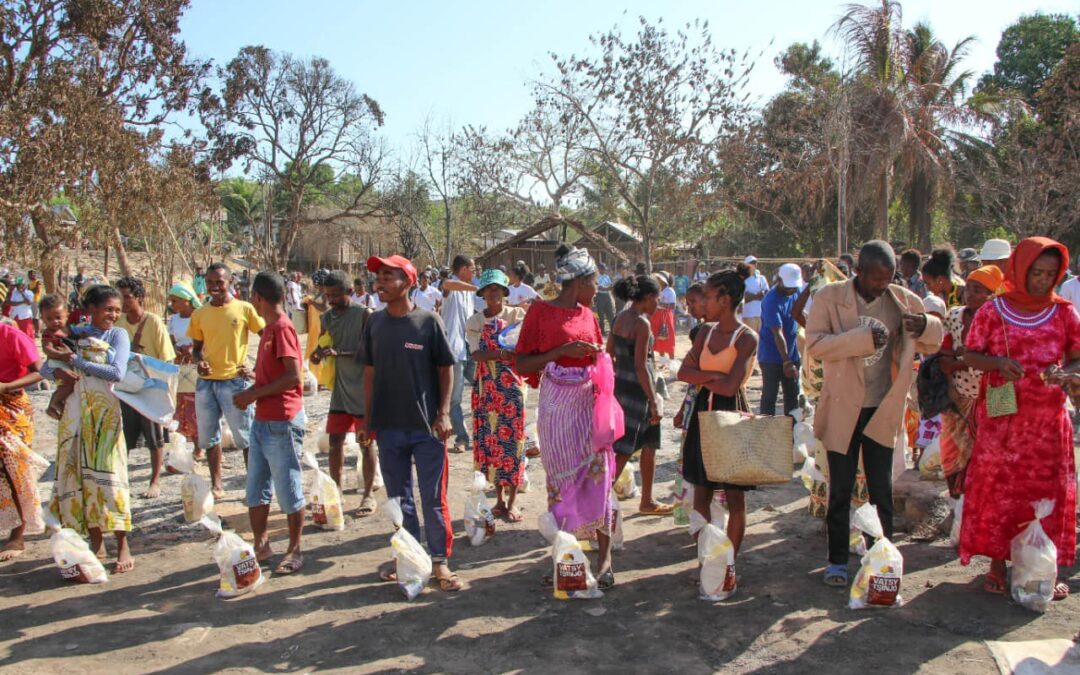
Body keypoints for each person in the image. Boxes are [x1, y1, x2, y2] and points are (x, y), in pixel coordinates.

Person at [807, 241, 941, 586]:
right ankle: (837, 561)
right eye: (876, 279)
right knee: (840, 489)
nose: (882, 285)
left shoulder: (902, 299)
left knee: (881, 489)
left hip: (882, 406)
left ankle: (882, 556)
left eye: (888, 278)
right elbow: (817, 345)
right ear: (859, 272)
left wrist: (924, 324)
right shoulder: (829, 297)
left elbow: (934, 340)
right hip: (842, 407)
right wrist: (862, 338)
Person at [958, 237, 1079, 599]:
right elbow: (970, 355)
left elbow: (1077, 356)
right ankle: (997, 562)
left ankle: (1042, 563)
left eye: (1050, 274)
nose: (1043, 280)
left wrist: (1066, 372)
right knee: (1002, 491)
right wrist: (997, 364)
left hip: (1047, 424)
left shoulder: (1064, 312)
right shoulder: (994, 311)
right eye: (1036, 273)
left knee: (1045, 493)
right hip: (1003, 421)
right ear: (1020, 270)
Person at [515, 244, 615, 588]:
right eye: (595, 282)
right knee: (561, 482)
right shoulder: (540, 312)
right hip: (557, 407)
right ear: (579, 282)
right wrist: (561, 352)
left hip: (589, 404)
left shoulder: (587, 313)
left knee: (598, 476)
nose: (598, 289)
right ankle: (566, 555)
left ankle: (604, 556)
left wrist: (597, 357)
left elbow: (599, 354)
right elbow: (522, 362)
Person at [361, 254, 462, 592]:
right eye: (379, 277)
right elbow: (370, 372)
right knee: (398, 498)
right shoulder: (374, 323)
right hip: (389, 427)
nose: (380, 283)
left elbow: (445, 368)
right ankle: (408, 558)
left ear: (408, 282)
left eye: (388, 277)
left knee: (433, 497)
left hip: (427, 428)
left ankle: (439, 562)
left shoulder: (428, 322)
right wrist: (367, 418)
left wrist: (444, 412)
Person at [43, 285, 136, 572]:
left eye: (117, 310)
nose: (113, 315)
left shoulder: (117, 335)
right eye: (108, 309)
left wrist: (77, 361)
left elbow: (117, 372)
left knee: (111, 474)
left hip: (106, 416)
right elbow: (46, 367)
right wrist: (59, 370)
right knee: (81, 476)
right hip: (76, 414)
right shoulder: (75, 333)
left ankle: (122, 544)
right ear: (91, 309)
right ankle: (95, 542)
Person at [677, 271, 759, 578]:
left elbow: (730, 387)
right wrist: (714, 377)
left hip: (730, 415)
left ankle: (727, 564)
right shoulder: (704, 332)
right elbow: (683, 373)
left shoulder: (747, 337)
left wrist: (705, 376)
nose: (703, 303)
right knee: (702, 490)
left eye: (709, 297)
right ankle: (705, 560)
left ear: (724, 300)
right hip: (702, 414)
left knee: (734, 494)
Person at [231, 272, 307, 576]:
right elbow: (278, 373)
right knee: (256, 487)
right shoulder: (268, 330)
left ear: (258, 298)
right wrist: (256, 379)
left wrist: (253, 394)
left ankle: (294, 548)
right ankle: (261, 543)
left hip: (282, 420)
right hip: (264, 419)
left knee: (288, 487)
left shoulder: (282, 328)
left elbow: (293, 376)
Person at [188, 263, 265, 499]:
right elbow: (196, 349)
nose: (214, 287)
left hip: (235, 382)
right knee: (209, 437)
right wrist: (199, 362)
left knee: (245, 437)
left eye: (219, 282)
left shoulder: (244, 309)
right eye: (209, 282)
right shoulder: (200, 313)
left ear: (230, 282)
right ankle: (217, 484)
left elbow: (267, 338)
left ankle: (253, 483)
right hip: (207, 384)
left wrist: (255, 368)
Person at [310, 271, 379, 516]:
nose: (330, 300)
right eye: (327, 295)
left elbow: (373, 351)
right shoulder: (327, 317)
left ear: (350, 292)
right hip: (340, 387)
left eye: (336, 295)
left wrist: (340, 354)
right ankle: (335, 490)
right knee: (335, 441)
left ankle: (368, 495)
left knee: (366, 442)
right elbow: (321, 343)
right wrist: (317, 354)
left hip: (362, 388)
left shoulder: (364, 315)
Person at [608, 274, 674, 516]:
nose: (659, 304)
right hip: (639, 392)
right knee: (626, 449)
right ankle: (597, 504)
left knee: (648, 445)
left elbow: (609, 355)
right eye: (657, 299)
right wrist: (653, 401)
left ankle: (647, 500)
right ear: (647, 298)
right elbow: (641, 366)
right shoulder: (641, 324)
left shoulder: (619, 319)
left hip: (621, 388)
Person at [466, 269, 528, 522]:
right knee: (491, 444)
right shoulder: (475, 321)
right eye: (488, 290)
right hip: (487, 389)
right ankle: (499, 500)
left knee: (513, 443)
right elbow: (476, 355)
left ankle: (512, 502)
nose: (493, 294)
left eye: (497, 289)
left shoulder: (517, 315)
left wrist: (505, 354)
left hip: (512, 387)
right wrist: (502, 355)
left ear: (504, 292)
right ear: (482, 294)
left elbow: (523, 347)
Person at [936, 265, 1003, 497]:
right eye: (969, 288)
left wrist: (962, 360)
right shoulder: (954, 316)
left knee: (994, 450)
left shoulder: (1002, 319)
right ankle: (959, 502)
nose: (971, 294)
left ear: (993, 294)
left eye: (979, 290)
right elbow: (944, 355)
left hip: (995, 394)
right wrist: (954, 372)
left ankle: (985, 500)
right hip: (959, 393)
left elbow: (999, 360)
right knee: (952, 450)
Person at [115, 276, 176, 498]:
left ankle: (155, 480)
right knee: (125, 435)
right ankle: (121, 479)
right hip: (127, 386)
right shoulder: (119, 323)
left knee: (154, 436)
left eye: (127, 297)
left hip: (150, 386)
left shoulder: (153, 322)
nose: (123, 301)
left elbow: (166, 359)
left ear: (139, 298)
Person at [0, 319, 45, 562]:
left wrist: (6, 387)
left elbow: (40, 371)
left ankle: (18, 534)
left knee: (14, 471)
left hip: (13, 408)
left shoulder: (11, 336)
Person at [440, 255, 477, 455]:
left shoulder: (469, 292)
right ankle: (462, 437)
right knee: (455, 398)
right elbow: (448, 284)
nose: (475, 271)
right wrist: (474, 287)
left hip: (470, 349)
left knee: (485, 385)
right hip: (454, 351)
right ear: (463, 269)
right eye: (472, 268)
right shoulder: (452, 288)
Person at [758, 263, 803, 417]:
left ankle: (792, 435)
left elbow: (799, 314)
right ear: (779, 280)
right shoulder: (771, 301)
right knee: (770, 396)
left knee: (793, 397)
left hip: (791, 354)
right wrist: (787, 362)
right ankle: (766, 432)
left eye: (794, 286)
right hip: (772, 357)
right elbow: (778, 333)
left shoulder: (796, 292)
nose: (792, 289)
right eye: (789, 286)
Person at [167, 281, 201, 446]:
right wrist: (176, 350)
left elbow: (208, 339)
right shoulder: (173, 320)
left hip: (198, 364)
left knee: (196, 404)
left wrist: (193, 349)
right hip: (181, 365)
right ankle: (184, 442)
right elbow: (171, 341)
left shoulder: (199, 316)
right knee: (182, 405)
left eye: (175, 301)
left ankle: (199, 442)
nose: (172, 304)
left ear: (186, 299)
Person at [38, 294, 75, 420]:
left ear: (66, 315)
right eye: (49, 319)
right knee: (70, 381)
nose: (55, 321)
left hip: (65, 362)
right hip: (55, 363)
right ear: (42, 319)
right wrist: (61, 355)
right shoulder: (49, 333)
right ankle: (55, 403)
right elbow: (47, 348)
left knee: (68, 384)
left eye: (58, 317)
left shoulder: (67, 330)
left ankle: (55, 404)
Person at [649, 272, 677, 359]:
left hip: (666, 316)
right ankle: (663, 361)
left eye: (659, 279)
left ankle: (671, 360)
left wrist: (660, 303)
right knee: (658, 337)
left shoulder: (670, 291)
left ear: (664, 280)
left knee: (668, 337)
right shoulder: (658, 290)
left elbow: (672, 305)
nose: (657, 280)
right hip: (656, 315)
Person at [740, 256, 769, 334]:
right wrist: (757, 296)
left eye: (755, 263)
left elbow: (766, 294)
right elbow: (743, 297)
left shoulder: (761, 278)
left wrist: (752, 296)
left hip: (761, 315)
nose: (754, 265)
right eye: (752, 263)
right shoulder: (742, 279)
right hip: (748, 315)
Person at [593, 262, 616, 335]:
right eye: (602, 268)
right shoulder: (597, 277)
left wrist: (608, 288)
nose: (603, 270)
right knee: (601, 314)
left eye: (604, 268)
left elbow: (610, 286)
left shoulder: (607, 276)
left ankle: (613, 330)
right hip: (600, 296)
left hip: (607, 296)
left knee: (610, 313)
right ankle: (602, 331)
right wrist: (607, 288)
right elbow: (600, 288)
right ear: (599, 269)